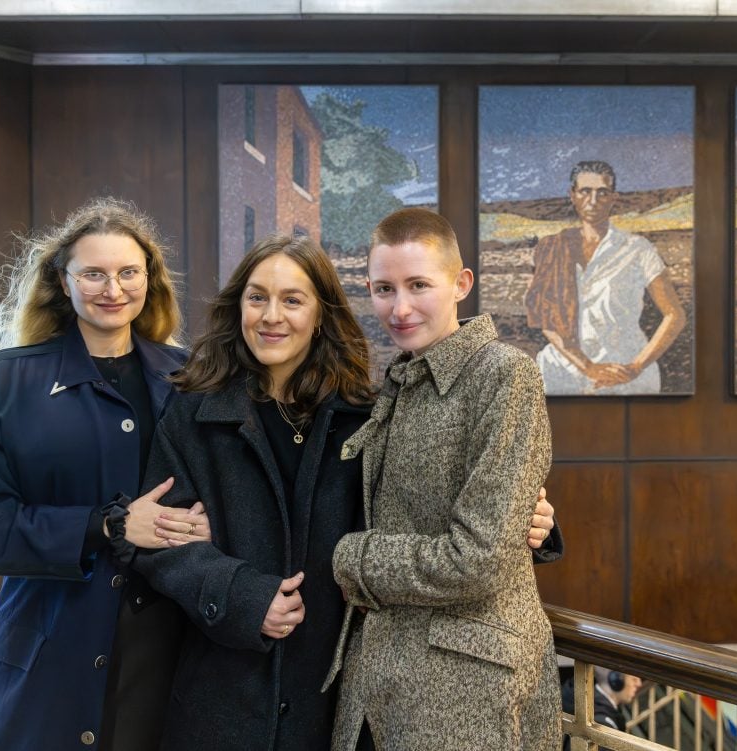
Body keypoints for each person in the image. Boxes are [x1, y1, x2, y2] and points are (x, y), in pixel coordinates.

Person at [132, 234, 559, 751]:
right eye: (257, 297)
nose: (272, 316)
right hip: (225, 689)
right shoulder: (192, 410)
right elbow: (160, 545)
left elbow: (426, 503)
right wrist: (242, 596)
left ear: (320, 314)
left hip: (335, 698)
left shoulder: (367, 410)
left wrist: (534, 526)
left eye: (292, 300)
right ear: (237, 306)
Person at [0, 197, 211, 751]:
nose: (112, 289)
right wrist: (110, 527)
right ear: (62, 282)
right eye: (93, 273)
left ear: (149, 280)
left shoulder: (191, 379)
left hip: (166, 656)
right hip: (47, 655)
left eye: (127, 272)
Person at [328, 208, 562, 750]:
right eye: (384, 289)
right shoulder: (399, 379)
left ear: (460, 285)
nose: (400, 307)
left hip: (466, 687)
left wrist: (352, 559)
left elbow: (477, 559)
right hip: (380, 677)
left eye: (418, 286)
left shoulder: (504, 373)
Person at [524, 160, 686, 395]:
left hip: (624, 373)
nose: (593, 201)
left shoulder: (638, 249)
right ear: (572, 195)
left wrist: (636, 366)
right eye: (585, 191)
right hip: (561, 371)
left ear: (613, 198)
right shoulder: (551, 248)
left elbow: (675, 315)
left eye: (602, 193)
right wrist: (587, 366)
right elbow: (544, 317)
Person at [561, 669, 643, 746]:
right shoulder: (600, 722)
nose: (639, 684)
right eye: (634, 679)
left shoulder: (598, 706)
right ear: (616, 680)